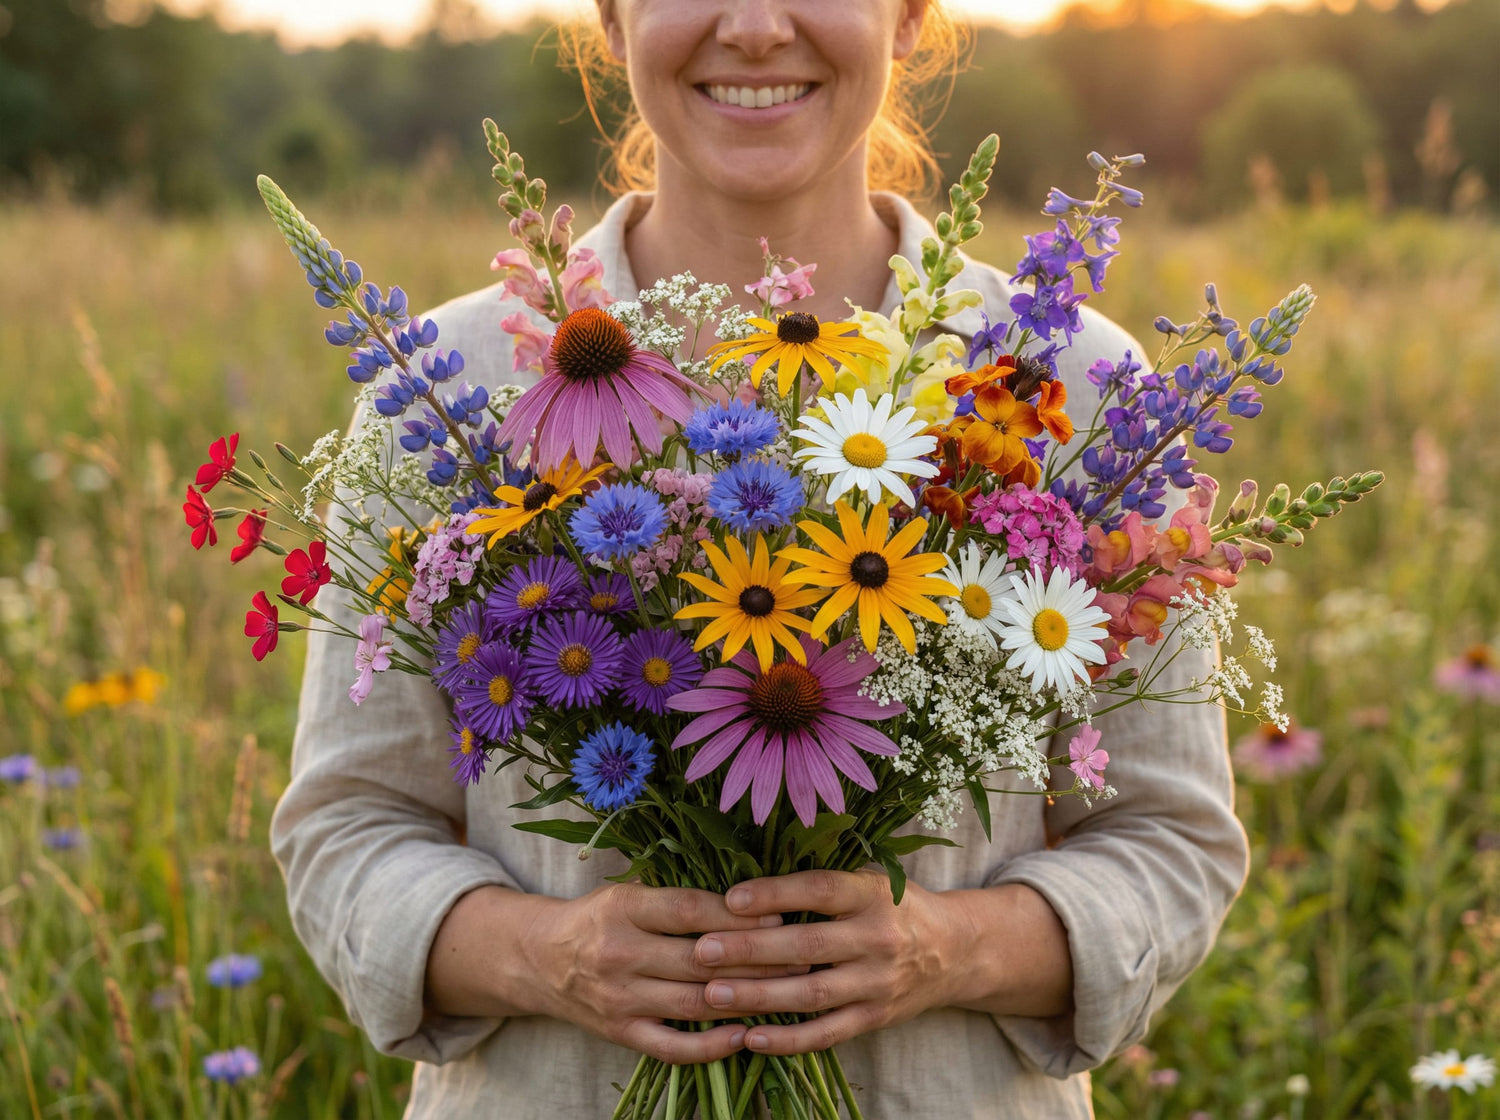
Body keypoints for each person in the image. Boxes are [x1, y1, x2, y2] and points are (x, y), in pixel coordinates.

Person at [270, 2, 1250, 1117]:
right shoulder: (442, 385)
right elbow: (343, 829)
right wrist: (548, 950)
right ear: (610, 17)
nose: (753, 27)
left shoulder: (1070, 385)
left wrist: (945, 945)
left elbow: (1173, 840)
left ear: (912, 16)